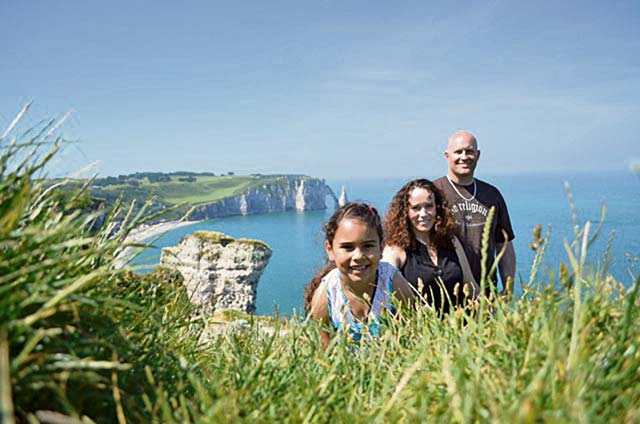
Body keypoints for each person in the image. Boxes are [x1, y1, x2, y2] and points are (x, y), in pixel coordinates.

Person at [304, 202, 414, 349]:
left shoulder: (393, 283)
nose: (358, 256)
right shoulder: (326, 295)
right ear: (330, 250)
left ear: (381, 248)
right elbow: (326, 352)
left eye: (368, 246)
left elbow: (411, 340)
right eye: (347, 247)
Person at [433, 130, 516, 296]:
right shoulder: (434, 192)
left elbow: (504, 244)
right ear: (447, 155)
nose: (464, 157)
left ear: (478, 155)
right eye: (458, 152)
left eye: (469, 151)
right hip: (445, 295)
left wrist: (508, 288)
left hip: (486, 293)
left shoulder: (492, 195)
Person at [382, 179, 479, 314]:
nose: (423, 214)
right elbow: (383, 289)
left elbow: (472, 289)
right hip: (418, 326)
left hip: (458, 325)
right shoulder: (395, 250)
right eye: (416, 208)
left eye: (429, 206)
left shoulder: (452, 242)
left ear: (437, 208)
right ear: (405, 212)